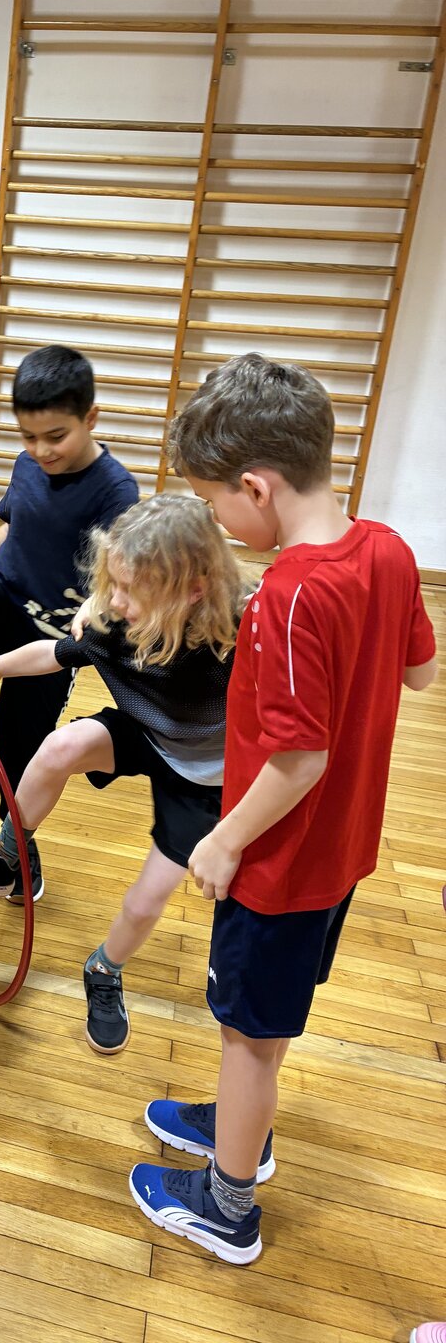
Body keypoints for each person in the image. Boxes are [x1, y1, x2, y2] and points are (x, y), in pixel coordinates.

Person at [128, 353, 437, 1266]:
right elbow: (422, 670)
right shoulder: (389, 549)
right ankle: (240, 1125)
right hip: (341, 851)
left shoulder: (292, 595)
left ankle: (228, 1205)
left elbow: (300, 758)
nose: (218, 522)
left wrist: (223, 843)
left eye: (215, 503)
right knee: (263, 1026)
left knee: (248, 1034)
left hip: (279, 864)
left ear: (256, 487)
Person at [0, 494, 248, 1054]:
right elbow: (50, 654)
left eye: (131, 589)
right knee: (60, 747)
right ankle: (8, 854)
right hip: (146, 733)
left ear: (194, 590)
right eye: (112, 585)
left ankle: (103, 968)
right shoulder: (116, 618)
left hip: (207, 777)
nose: (115, 601)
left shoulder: (245, 632)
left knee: (145, 903)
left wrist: (238, 831)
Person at [0, 345, 139, 896]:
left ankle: (15, 856)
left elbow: (121, 570)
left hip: (52, 640)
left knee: (20, 748)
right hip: (3, 600)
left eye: (55, 436)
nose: (41, 450)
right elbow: (13, 527)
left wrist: (95, 605)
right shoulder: (26, 465)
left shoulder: (116, 490)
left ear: (90, 418)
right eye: (29, 437)